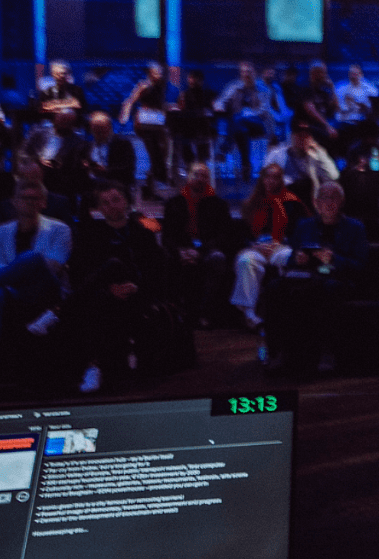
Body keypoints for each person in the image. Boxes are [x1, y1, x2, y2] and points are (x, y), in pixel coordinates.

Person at [68, 181, 166, 394]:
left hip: (139, 291)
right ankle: (95, 365)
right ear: (99, 208)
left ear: (125, 202)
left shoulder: (143, 233)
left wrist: (137, 286)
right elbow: (82, 273)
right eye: (105, 202)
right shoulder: (91, 235)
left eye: (116, 200)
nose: (111, 206)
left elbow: (156, 270)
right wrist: (110, 289)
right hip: (104, 294)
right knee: (98, 300)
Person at [261, 182, 368, 373]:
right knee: (274, 287)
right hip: (306, 277)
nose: (328, 202)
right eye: (324, 198)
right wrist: (298, 259)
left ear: (341, 202)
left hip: (337, 278)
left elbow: (360, 265)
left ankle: (328, 352)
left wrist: (335, 259)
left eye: (333, 197)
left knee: (328, 289)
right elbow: (292, 257)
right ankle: (277, 351)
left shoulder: (355, 228)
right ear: (316, 203)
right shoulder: (304, 225)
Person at [230, 162, 307, 337]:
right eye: (268, 176)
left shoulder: (291, 202)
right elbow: (242, 233)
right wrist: (253, 245)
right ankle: (250, 315)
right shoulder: (252, 203)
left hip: (281, 246)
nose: (271, 181)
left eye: (276, 177)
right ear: (262, 179)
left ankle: (286, 311)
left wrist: (280, 243)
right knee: (246, 261)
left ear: (281, 180)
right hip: (256, 247)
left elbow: (300, 231)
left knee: (289, 258)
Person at [162, 163, 233, 329]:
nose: (200, 179)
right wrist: (181, 251)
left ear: (209, 179)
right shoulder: (174, 203)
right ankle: (175, 311)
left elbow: (224, 236)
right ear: (188, 177)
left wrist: (199, 252)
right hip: (181, 250)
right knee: (163, 258)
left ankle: (205, 312)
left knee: (217, 258)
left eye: (204, 175)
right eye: (196, 174)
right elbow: (167, 236)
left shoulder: (219, 205)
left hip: (206, 250)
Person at [0, 180, 71, 346]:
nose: (29, 202)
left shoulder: (59, 229)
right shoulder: (2, 231)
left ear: (43, 202)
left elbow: (54, 265)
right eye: (24, 198)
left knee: (32, 257)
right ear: (14, 202)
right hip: (11, 291)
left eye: (34, 198)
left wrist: (20, 270)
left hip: (47, 290)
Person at [118, 62, 174, 198]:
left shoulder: (161, 86)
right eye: (155, 73)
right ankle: (155, 185)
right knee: (154, 153)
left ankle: (156, 182)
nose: (158, 75)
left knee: (162, 152)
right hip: (146, 122)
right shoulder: (144, 85)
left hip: (159, 122)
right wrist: (124, 116)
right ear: (150, 73)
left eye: (160, 73)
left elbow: (160, 103)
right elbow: (130, 101)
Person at [215, 61, 278, 180]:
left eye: (249, 72)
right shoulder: (234, 87)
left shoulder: (263, 89)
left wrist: (247, 114)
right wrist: (219, 105)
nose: (246, 74)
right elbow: (222, 100)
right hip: (239, 127)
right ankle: (246, 165)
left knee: (238, 118)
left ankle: (225, 147)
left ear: (254, 73)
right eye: (243, 72)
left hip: (258, 124)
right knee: (241, 129)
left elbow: (263, 111)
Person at [263, 121, 340, 207]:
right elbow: (263, 182)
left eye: (305, 136)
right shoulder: (277, 154)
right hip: (283, 202)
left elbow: (333, 177)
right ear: (291, 136)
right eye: (298, 135)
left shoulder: (317, 156)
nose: (301, 139)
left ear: (311, 138)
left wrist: (320, 154)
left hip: (310, 202)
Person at [81, 112, 138, 204]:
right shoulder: (87, 146)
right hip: (92, 188)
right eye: (96, 131)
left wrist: (105, 171)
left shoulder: (123, 144)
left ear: (109, 128)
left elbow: (128, 169)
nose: (99, 134)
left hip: (115, 187)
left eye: (101, 130)